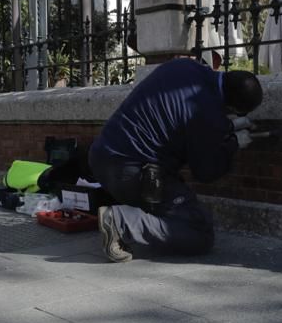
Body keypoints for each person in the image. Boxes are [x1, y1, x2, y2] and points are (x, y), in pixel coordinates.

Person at [89, 58, 263, 262]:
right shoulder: (207, 115)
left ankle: (128, 215)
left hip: (102, 156)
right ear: (232, 105)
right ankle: (121, 221)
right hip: (133, 172)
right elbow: (205, 171)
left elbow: (178, 119)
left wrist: (226, 127)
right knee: (199, 232)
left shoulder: (184, 66)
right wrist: (233, 143)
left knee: (169, 196)